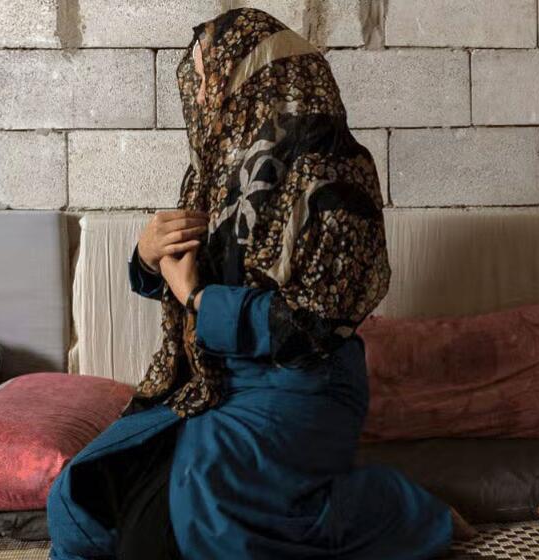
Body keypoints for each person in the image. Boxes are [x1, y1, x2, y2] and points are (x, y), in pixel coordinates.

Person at [46, 8, 471, 559]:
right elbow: (184, 274)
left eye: (209, 76)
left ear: (251, 73)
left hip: (301, 385)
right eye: (197, 78)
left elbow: (315, 323)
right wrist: (148, 257)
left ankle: (400, 510)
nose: (200, 92)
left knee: (200, 511)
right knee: (85, 493)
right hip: (213, 381)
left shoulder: (335, 169)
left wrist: (197, 298)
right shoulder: (215, 169)